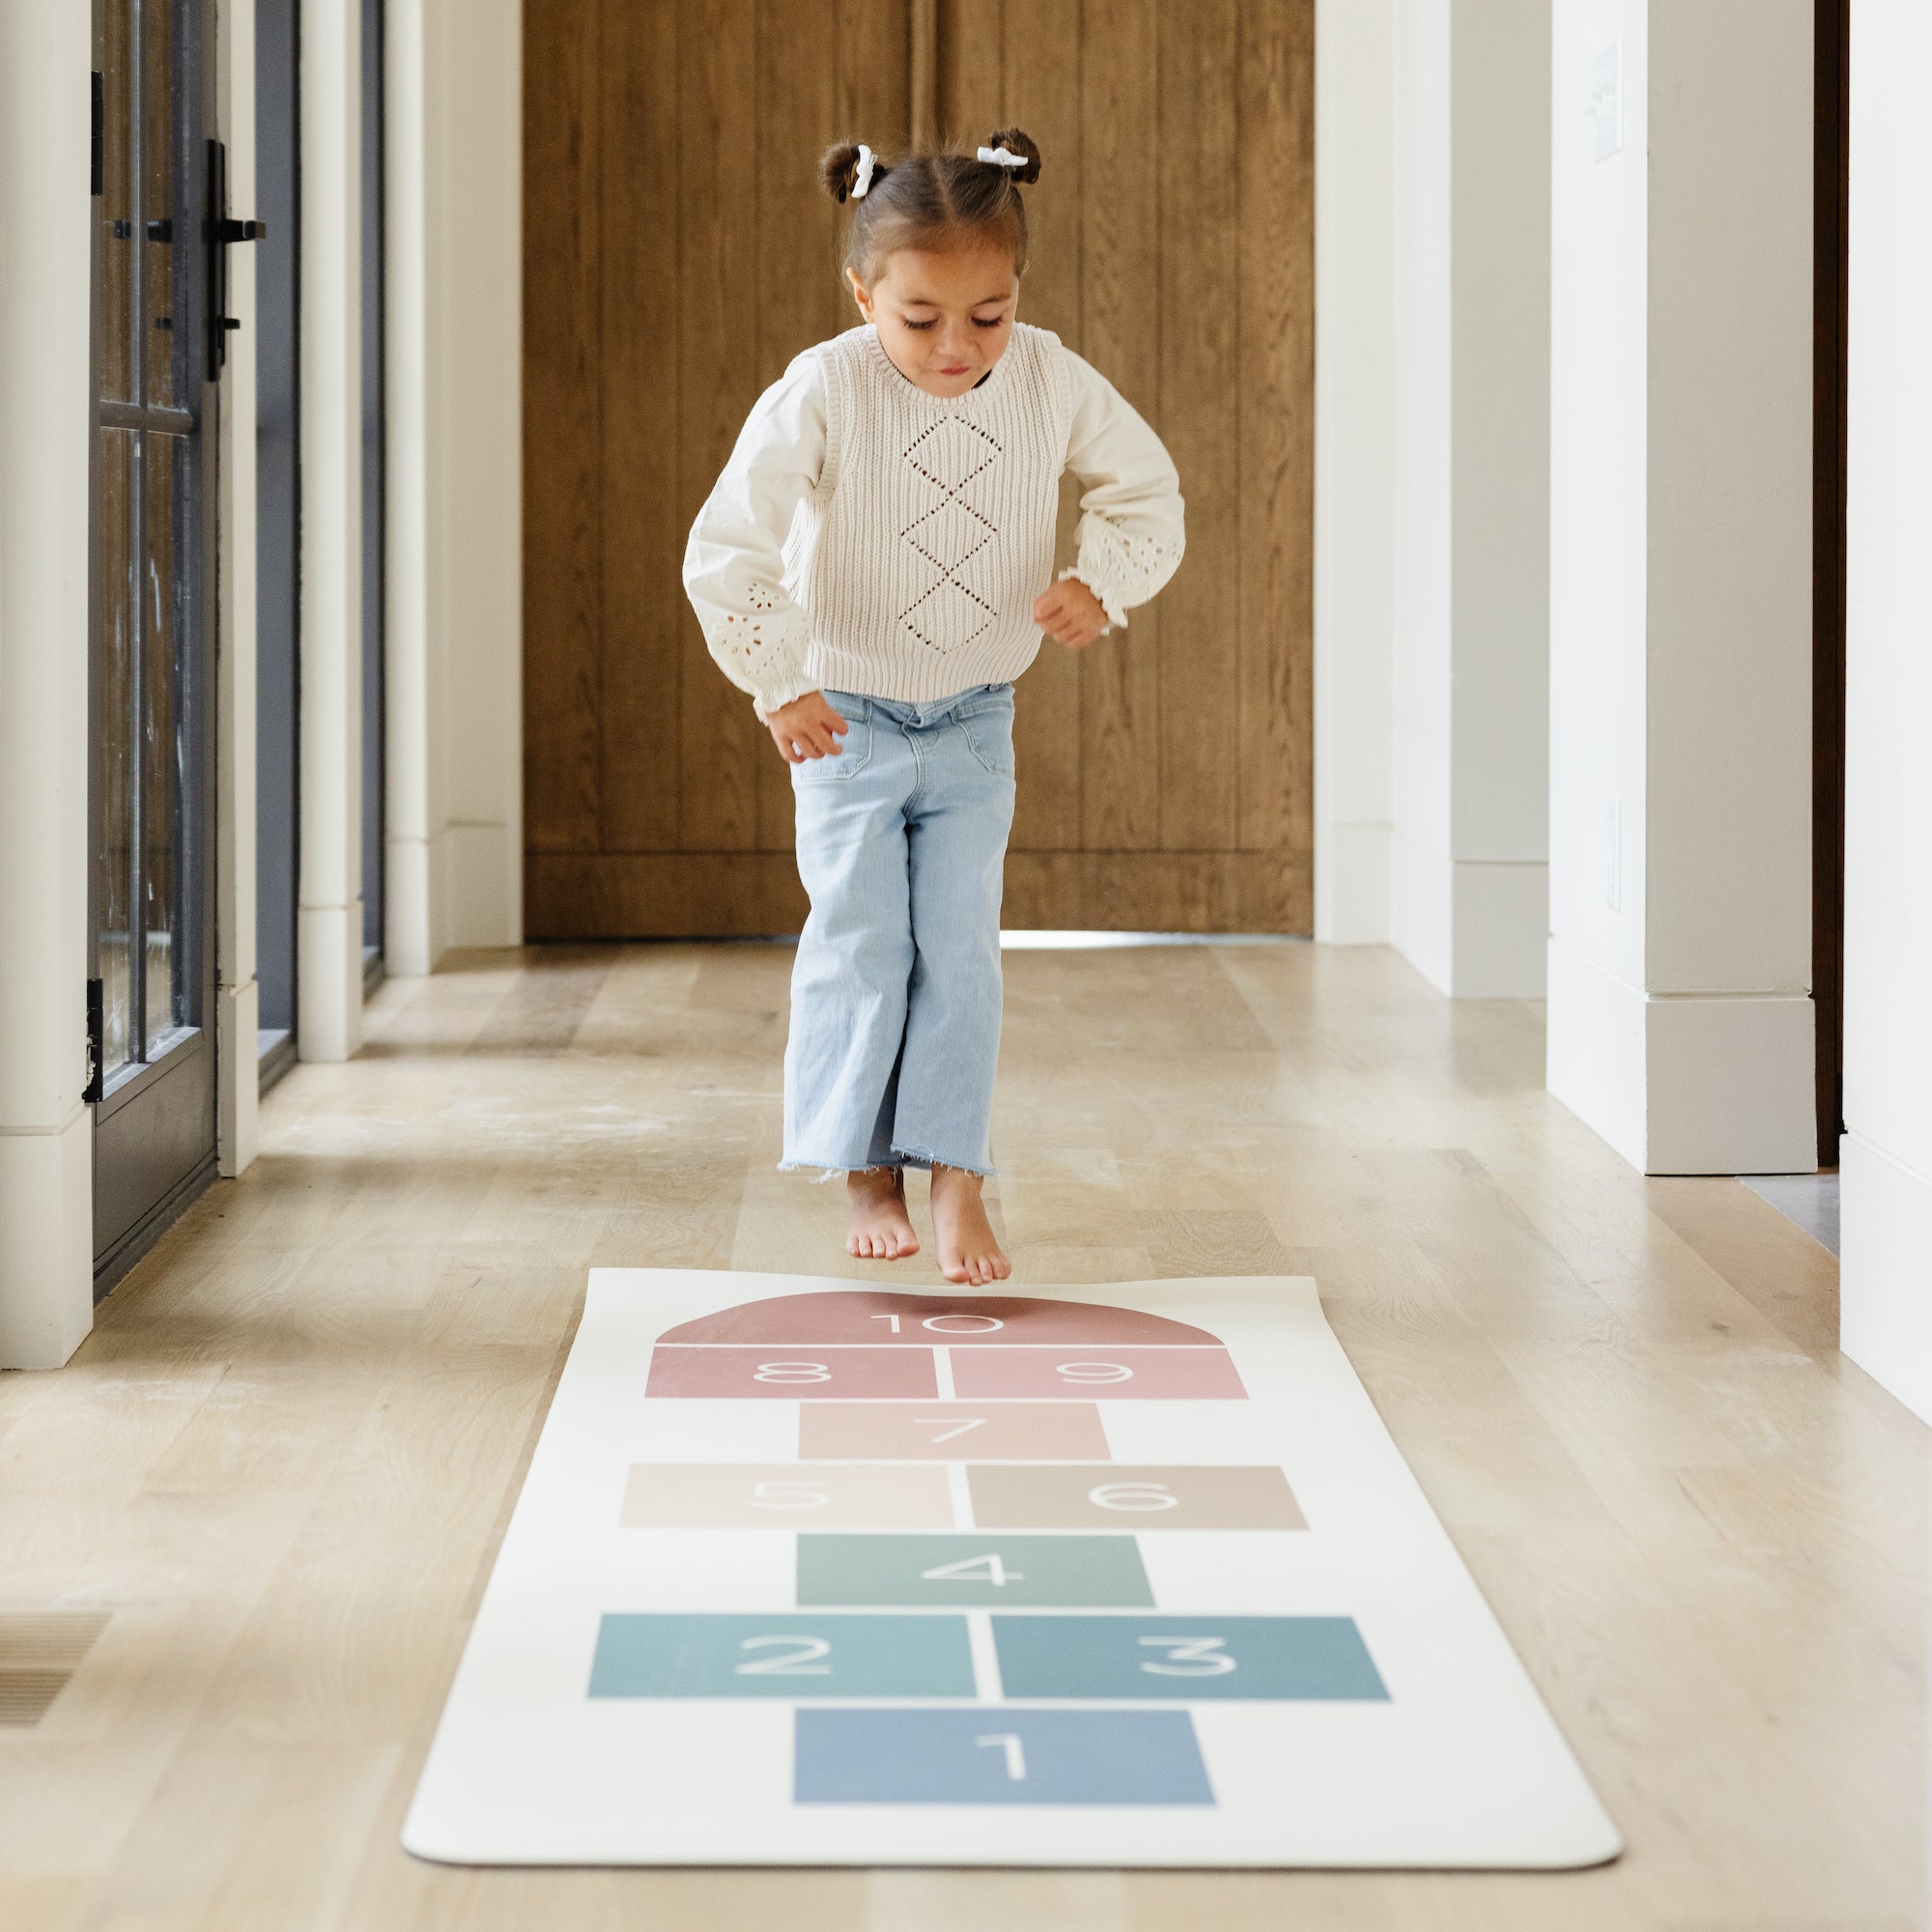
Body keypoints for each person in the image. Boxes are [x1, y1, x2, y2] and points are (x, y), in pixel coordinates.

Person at [683, 128, 1184, 1285]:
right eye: (919, 320)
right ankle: (867, 1167)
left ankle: (955, 1172)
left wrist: (1097, 579)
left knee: (958, 950)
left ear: (1019, 294)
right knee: (862, 942)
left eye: (988, 315)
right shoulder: (823, 386)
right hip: (842, 720)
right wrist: (779, 681)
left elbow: (1145, 489)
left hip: (971, 719)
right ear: (862, 292)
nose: (957, 346)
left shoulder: (1053, 377)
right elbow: (727, 545)